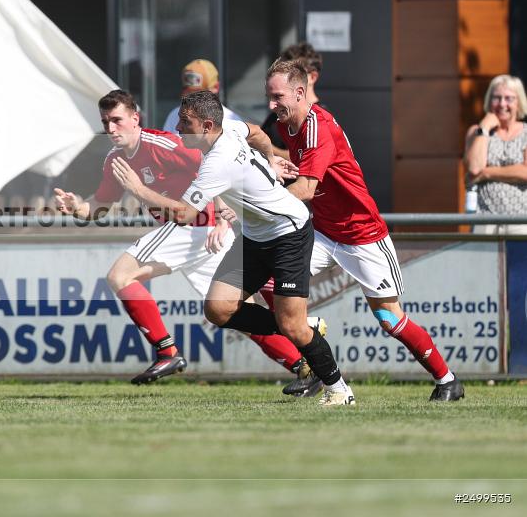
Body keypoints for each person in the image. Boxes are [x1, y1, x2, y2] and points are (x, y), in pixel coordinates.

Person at [111, 89, 356, 406]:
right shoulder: (231, 131)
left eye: (186, 123)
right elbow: (255, 131)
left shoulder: (216, 162)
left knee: (290, 324)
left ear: (207, 126)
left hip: (289, 233)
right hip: (255, 236)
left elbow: (185, 214)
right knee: (218, 309)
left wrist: (138, 189)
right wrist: (270, 161)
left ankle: (339, 390)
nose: (179, 129)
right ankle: (305, 327)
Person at [55, 90, 305, 386]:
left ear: (135, 119)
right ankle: (304, 366)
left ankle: (167, 351)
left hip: (195, 226)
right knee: (236, 313)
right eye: (105, 122)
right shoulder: (114, 160)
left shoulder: (162, 144)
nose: (111, 129)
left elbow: (214, 167)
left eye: (117, 120)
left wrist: (222, 219)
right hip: (199, 236)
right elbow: (99, 205)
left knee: (120, 276)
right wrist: (77, 208)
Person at [268, 58, 464, 401]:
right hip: (324, 232)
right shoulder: (288, 124)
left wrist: (252, 203)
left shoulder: (318, 126)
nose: (271, 104)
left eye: (277, 96)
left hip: (363, 236)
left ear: (300, 93)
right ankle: (313, 348)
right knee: (272, 280)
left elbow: (306, 189)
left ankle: (447, 380)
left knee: (390, 319)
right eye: (269, 96)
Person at [463, 74, 527, 234]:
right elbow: (475, 168)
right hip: (484, 220)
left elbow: (525, 172)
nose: (502, 104)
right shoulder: (475, 132)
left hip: (520, 221)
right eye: (496, 98)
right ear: (489, 101)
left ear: (518, 101)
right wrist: (484, 128)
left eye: (509, 98)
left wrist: (486, 174)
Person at [261, 42, 323, 160]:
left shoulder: (319, 119)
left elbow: (306, 160)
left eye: (293, 74)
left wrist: (264, 145)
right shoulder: (278, 112)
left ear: (312, 77)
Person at [161, 59, 241, 134]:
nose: (192, 100)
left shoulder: (232, 121)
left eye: (199, 94)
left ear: (216, 87)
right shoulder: (175, 115)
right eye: (188, 92)